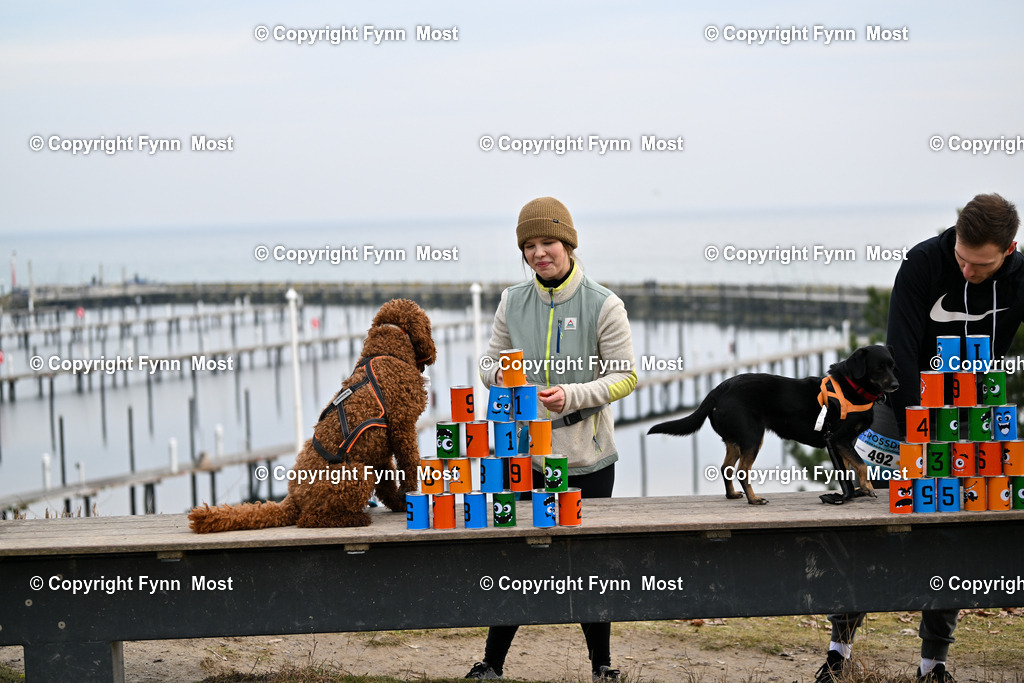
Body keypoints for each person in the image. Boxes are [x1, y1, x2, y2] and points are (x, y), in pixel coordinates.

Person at [816, 193, 1022, 683]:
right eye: (963, 260)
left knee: (948, 535)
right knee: (870, 529)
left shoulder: (1022, 277)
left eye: (982, 265)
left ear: (1009, 250)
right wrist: (922, 434)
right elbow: (901, 356)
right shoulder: (922, 264)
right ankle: (838, 652)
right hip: (899, 410)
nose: (969, 271)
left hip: (971, 412)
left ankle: (933, 664)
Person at [465, 197, 637, 681]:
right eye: (530, 245)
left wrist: (575, 395)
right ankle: (491, 664)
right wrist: (497, 376)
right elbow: (487, 364)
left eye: (548, 243)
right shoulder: (510, 301)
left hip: (588, 458)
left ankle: (602, 667)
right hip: (522, 455)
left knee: (587, 564)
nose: (540, 253)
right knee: (516, 557)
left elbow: (625, 377)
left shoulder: (604, 303)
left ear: (569, 243)